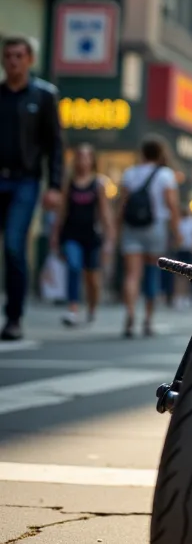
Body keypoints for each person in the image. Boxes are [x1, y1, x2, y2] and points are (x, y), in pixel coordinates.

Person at [0, 35, 63, 341]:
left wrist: (54, 185)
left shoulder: (44, 95)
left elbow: (55, 145)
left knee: (14, 245)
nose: (12, 61)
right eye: (8, 56)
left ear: (29, 60)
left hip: (25, 180)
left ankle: (13, 318)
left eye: (18, 56)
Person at [116, 137, 180, 337]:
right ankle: (148, 320)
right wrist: (176, 231)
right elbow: (171, 204)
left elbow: (122, 204)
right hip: (156, 227)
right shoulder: (166, 175)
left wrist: (116, 228)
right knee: (152, 272)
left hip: (131, 227)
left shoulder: (130, 173)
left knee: (132, 274)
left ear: (142, 152)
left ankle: (130, 313)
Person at [52, 144, 113, 326]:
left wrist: (109, 238)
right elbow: (61, 211)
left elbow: (104, 213)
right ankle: (72, 308)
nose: (83, 160)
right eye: (79, 156)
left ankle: (92, 307)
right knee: (73, 266)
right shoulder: (68, 183)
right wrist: (55, 235)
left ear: (92, 160)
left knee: (92, 277)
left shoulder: (98, 184)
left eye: (87, 156)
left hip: (92, 236)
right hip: (72, 234)